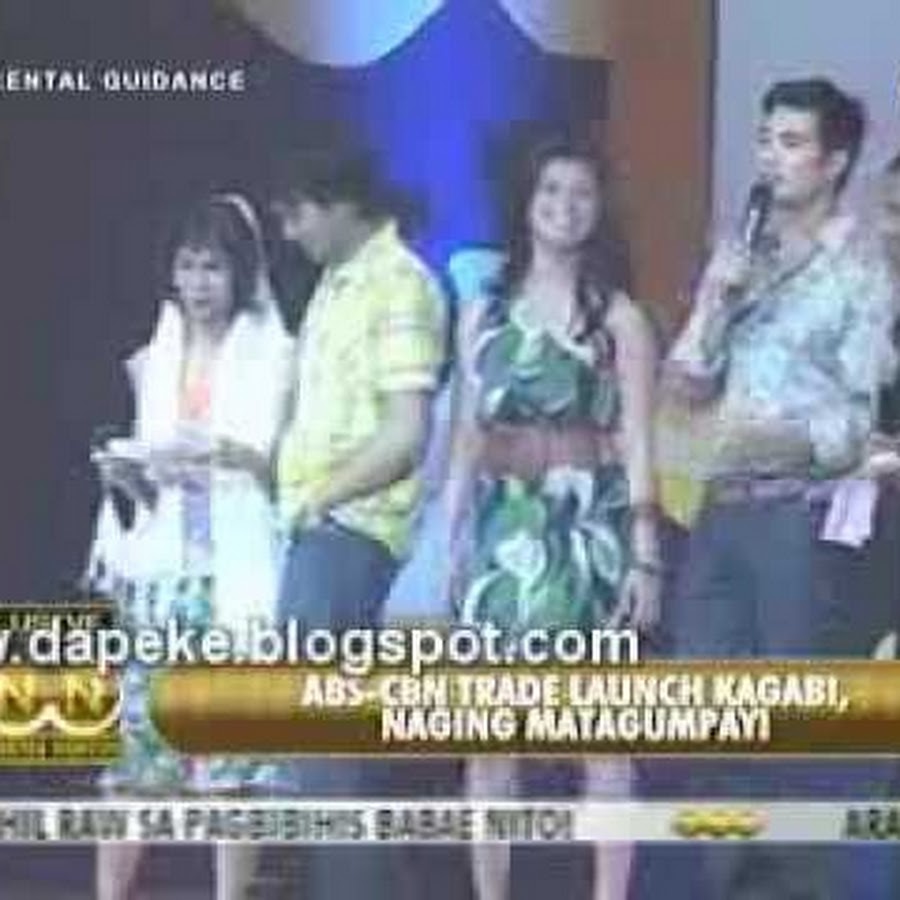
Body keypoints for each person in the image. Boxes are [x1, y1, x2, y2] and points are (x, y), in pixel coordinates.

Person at [665, 78, 896, 898]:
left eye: (792, 143)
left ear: (834, 162)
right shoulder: (740, 255)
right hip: (719, 511)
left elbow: (859, 424)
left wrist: (783, 442)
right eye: (765, 139)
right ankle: (727, 880)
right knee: (704, 712)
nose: (771, 157)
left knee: (792, 726)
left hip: (796, 520)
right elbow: (685, 383)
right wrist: (716, 300)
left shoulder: (862, 275)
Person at [443, 133, 660, 900]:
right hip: (501, 527)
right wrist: (452, 537)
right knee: (490, 737)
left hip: (588, 528)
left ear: (600, 209)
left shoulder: (620, 319)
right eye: (550, 191)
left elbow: (638, 438)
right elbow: (466, 433)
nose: (565, 207)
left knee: (601, 733)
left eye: (581, 193)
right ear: (527, 203)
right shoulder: (483, 311)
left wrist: (644, 551)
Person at [90, 194, 293, 900]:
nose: (199, 283)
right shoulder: (157, 354)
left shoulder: (275, 354)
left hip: (236, 580)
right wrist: (127, 474)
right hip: (158, 579)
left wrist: (228, 454)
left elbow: (288, 476)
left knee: (231, 767)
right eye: (188, 266)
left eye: (214, 268)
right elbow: (149, 485)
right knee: (133, 760)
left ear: (241, 273)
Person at [267, 144, 447, 899]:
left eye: (298, 214)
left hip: (351, 531)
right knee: (326, 745)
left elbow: (407, 434)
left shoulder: (399, 285)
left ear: (342, 204)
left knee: (324, 741)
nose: (290, 232)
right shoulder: (336, 283)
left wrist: (319, 498)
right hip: (320, 529)